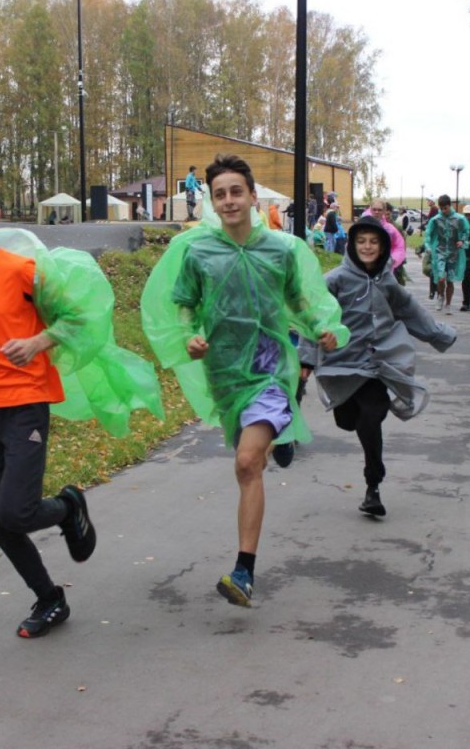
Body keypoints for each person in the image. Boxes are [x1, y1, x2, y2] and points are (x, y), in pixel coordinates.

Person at [0, 170, 164, 638]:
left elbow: (79, 320)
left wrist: (38, 341)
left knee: (16, 511)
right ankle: (49, 598)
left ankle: (67, 506)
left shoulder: (23, 273)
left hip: (25, 403)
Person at [141, 153, 348, 608]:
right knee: (249, 454)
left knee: (246, 463)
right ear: (212, 203)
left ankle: (244, 572)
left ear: (254, 197)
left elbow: (299, 300)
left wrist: (322, 329)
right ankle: (281, 435)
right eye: (220, 195)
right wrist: (189, 336)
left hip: (271, 367)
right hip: (224, 371)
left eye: (237, 192)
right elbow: (184, 304)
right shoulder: (198, 251)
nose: (229, 200)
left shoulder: (282, 249)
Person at [299, 216, 456, 517]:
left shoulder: (388, 281)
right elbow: (312, 319)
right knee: (348, 420)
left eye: (374, 242)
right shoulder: (335, 280)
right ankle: (363, 442)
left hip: (376, 364)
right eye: (361, 241)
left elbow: (410, 310)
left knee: (373, 413)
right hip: (341, 365)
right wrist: (306, 357)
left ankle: (373, 484)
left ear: (383, 246)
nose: (368, 247)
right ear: (352, 245)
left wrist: (440, 335)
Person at [423, 194, 469, 313]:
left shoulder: (459, 219)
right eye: (441, 208)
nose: (443, 211)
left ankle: (448, 303)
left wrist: (462, 241)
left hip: (454, 253)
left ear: (450, 206)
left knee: (450, 280)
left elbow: (465, 231)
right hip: (440, 251)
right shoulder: (436, 220)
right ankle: (440, 296)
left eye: (445, 208)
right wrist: (428, 247)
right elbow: (428, 234)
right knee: (441, 277)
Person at [361, 199, 408, 283]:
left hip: (384, 271)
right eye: (374, 209)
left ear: (384, 211)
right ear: (370, 209)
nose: (376, 212)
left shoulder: (390, 229)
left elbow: (399, 246)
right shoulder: (361, 226)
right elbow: (351, 246)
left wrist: (392, 260)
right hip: (364, 269)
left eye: (379, 210)